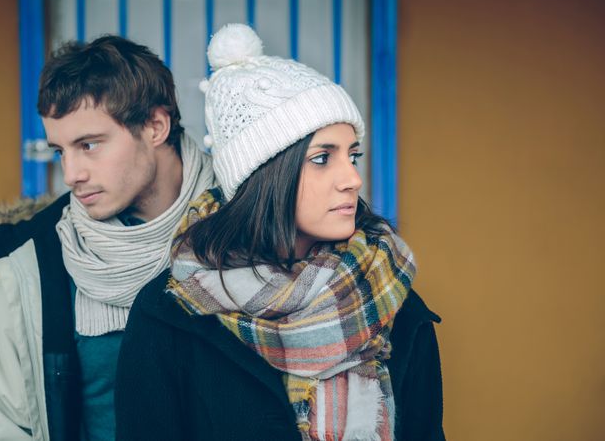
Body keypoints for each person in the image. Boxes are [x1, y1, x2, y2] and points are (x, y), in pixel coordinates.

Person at [116, 24, 445, 441]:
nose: (352, 180)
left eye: (353, 156)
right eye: (323, 158)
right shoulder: (170, 314)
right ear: (266, 176)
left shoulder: (391, 298)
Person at [0, 35, 214, 440]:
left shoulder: (251, 232)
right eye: (61, 150)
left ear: (155, 126)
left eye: (89, 145)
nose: (71, 174)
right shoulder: (32, 273)